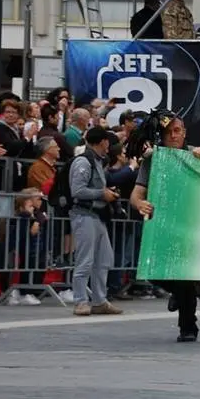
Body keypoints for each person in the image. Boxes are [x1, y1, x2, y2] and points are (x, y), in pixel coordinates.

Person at [128, 110, 200, 341]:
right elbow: (136, 194)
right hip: (161, 227)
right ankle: (175, 292)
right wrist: (140, 204)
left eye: (177, 131)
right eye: (168, 132)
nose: (173, 136)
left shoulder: (196, 155)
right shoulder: (153, 159)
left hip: (189, 226)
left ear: (184, 133)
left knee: (185, 279)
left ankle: (188, 328)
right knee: (152, 270)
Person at [69, 127, 123, 317]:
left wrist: (107, 192)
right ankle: (80, 301)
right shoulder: (84, 162)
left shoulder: (97, 162)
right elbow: (77, 190)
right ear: (102, 142)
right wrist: (102, 193)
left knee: (104, 260)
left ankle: (100, 300)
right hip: (84, 214)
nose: (109, 146)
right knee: (85, 260)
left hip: (97, 215)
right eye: (108, 141)